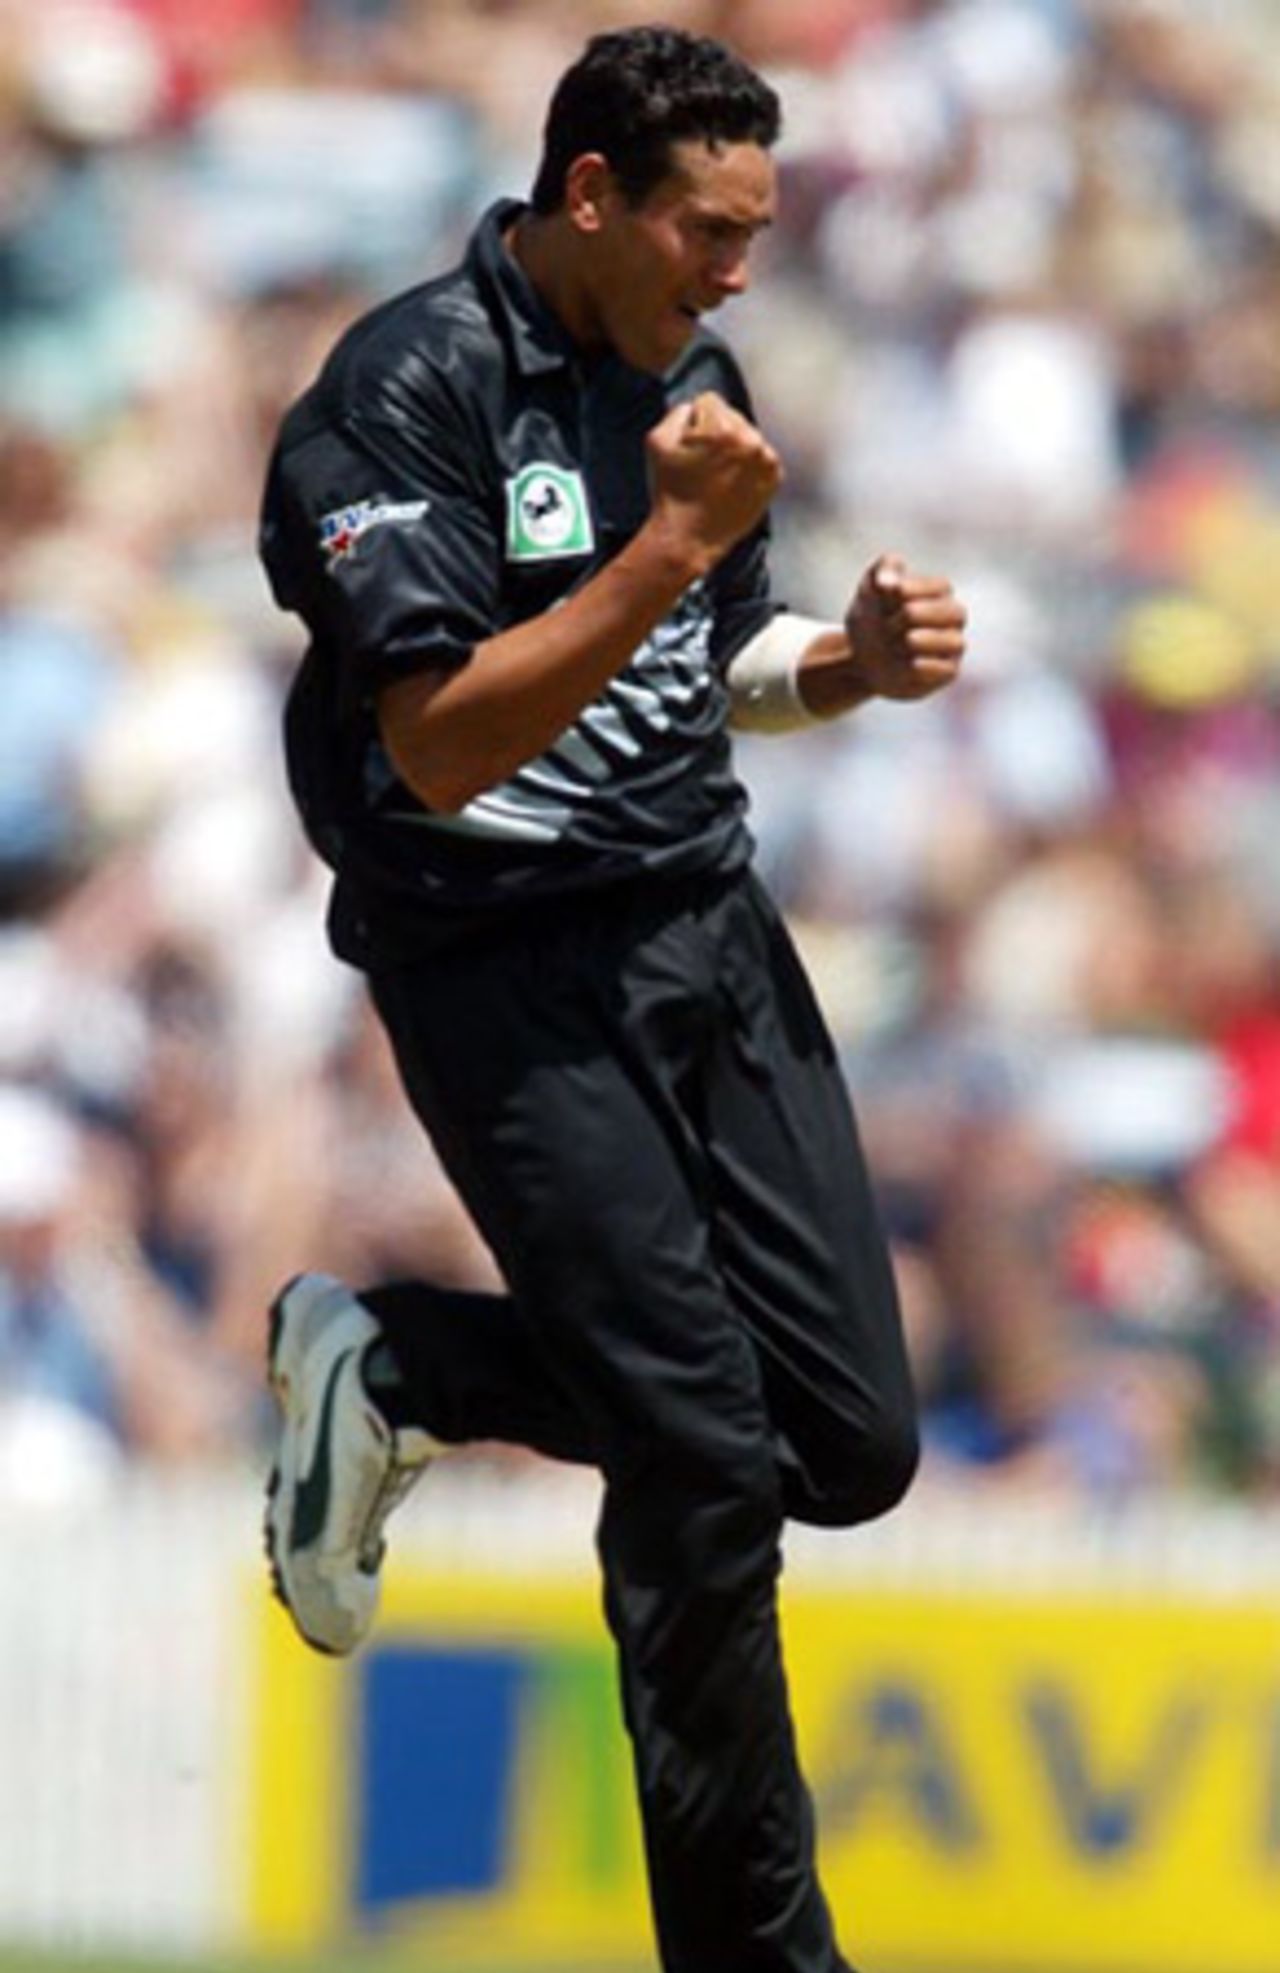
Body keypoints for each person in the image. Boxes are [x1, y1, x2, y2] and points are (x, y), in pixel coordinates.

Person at [258, 25, 966, 1973]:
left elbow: (719, 670)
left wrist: (853, 673)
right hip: (499, 963)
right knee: (702, 1459)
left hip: (701, 927)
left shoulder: (695, 373)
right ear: (593, 197)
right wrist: (668, 544)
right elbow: (435, 749)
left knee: (848, 1444)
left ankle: (409, 1367)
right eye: (707, 232)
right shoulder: (402, 393)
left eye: (754, 232)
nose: (735, 273)